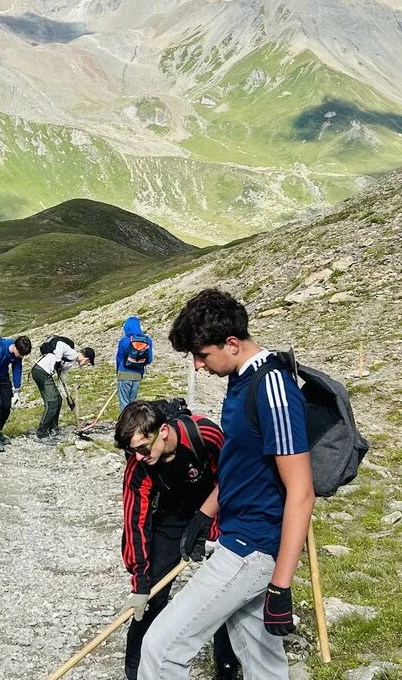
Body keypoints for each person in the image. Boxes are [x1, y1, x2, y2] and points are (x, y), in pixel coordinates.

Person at [138, 289, 314, 680]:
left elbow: (301, 491)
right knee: (263, 664)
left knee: (161, 650)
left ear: (231, 344)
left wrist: (281, 585)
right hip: (238, 532)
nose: (198, 366)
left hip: (252, 545)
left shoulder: (273, 390)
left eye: (202, 355)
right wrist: (206, 512)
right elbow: (242, 464)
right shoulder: (240, 379)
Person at [116, 401, 241, 680]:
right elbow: (135, 524)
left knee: (226, 590)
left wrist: (213, 531)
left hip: (215, 511)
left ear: (162, 431)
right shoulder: (138, 467)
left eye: (142, 448)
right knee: (151, 598)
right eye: (130, 451)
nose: (137, 457)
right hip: (171, 517)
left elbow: (232, 481)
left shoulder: (204, 435)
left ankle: (226, 665)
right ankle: (135, 670)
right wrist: (140, 582)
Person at [31, 337, 95, 443]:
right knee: (52, 403)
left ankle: (53, 429)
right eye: (87, 362)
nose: (85, 364)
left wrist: (68, 397)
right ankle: (40, 435)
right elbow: (60, 344)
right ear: (86, 359)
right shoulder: (73, 354)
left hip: (43, 372)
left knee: (58, 400)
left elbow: (62, 380)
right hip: (41, 371)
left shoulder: (70, 362)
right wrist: (57, 360)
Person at [116, 316, 154, 411]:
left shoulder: (124, 340)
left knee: (124, 403)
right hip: (137, 375)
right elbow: (149, 360)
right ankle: (133, 423)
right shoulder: (147, 340)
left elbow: (119, 358)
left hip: (124, 374)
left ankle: (124, 424)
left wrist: (118, 372)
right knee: (133, 403)